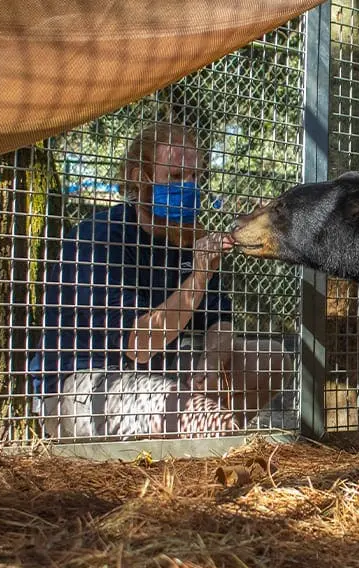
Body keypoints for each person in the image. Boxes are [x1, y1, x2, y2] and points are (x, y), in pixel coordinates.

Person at [29, 122, 288, 440]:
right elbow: (140, 345)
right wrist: (200, 275)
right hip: (83, 385)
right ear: (140, 178)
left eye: (194, 177)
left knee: (271, 358)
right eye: (176, 177)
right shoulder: (99, 237)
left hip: (156, 378)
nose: (189, 187)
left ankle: (195, 440)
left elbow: (219, 320)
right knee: (203, 420)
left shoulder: (187, 237)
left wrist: (211, 360)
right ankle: (209, 450)